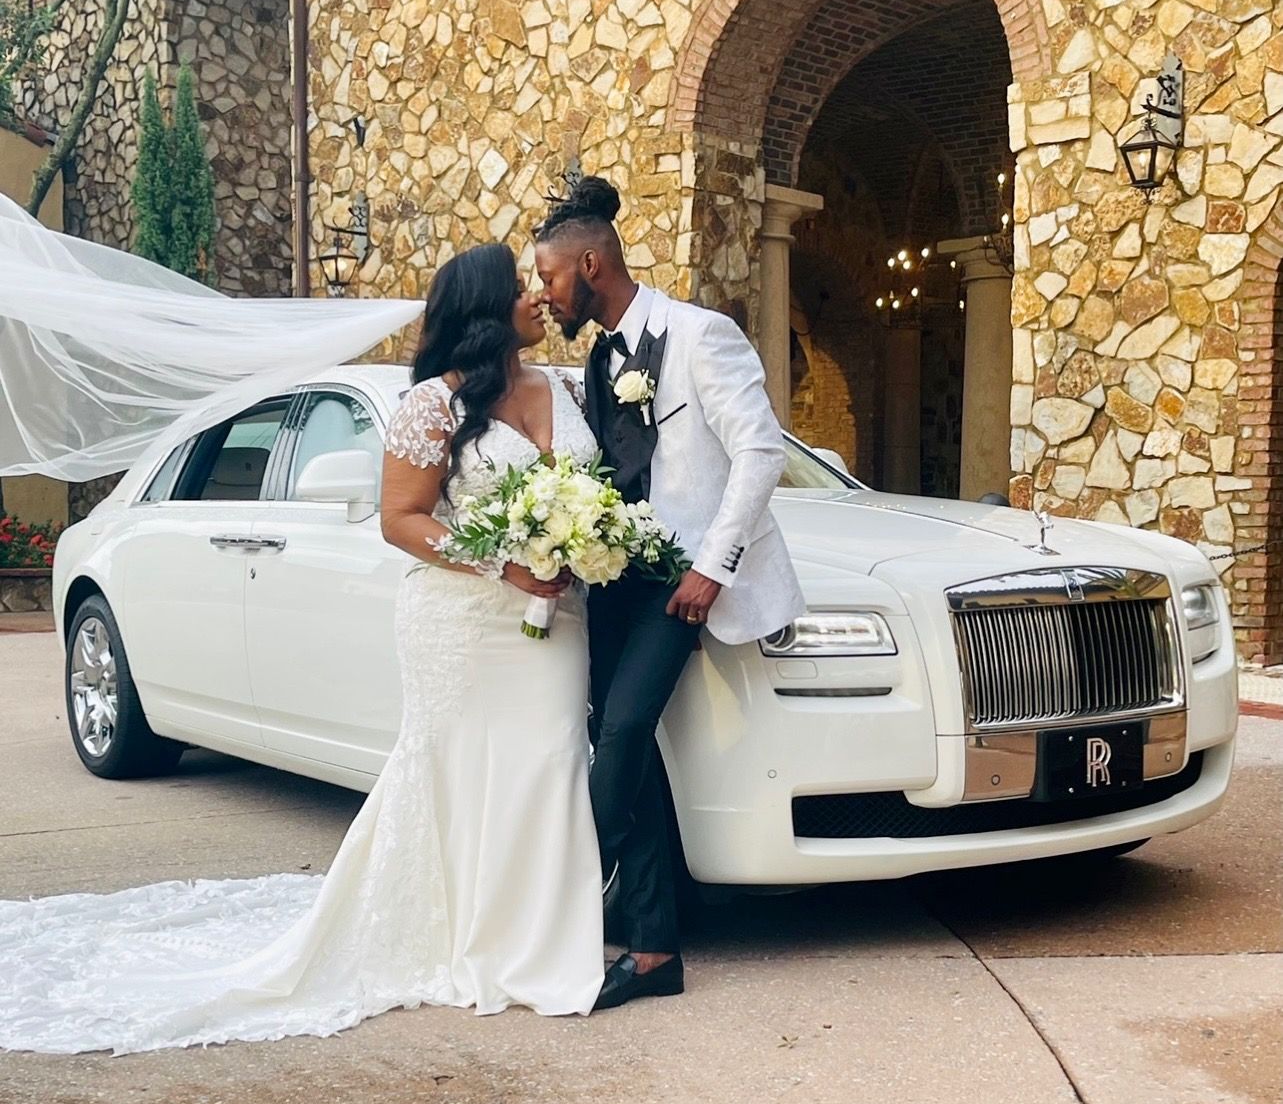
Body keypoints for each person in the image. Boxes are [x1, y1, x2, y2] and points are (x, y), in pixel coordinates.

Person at [0, 243, 605, 1054]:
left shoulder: (563, 388)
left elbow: (593, 490)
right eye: (519, 286)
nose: (536, 297)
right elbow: (400, 519)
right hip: (463, 619)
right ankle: (468, 938)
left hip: (557, 619)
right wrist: (505, 563)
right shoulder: (429, 405)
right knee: (456, 770)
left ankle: (541, 943)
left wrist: (584, 541)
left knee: (549, 762)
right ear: (484, 309)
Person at [535, 176, 806, 1011]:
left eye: (549, 277)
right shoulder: (596, 358)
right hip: (615, 581)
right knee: (623, 743)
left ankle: (564, 891)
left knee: (620, 733)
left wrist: (712, 566)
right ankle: (654, 947)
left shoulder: (699, 335)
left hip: (681, 583)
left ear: (589, 264)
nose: (545, 295)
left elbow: (760, 451)